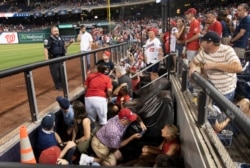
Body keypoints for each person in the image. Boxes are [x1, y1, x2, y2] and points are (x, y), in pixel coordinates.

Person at [189, 32, 243, 132]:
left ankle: (237, 112)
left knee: (219, 121)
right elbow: (197, 62)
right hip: (212, 89)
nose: (200, 43)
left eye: (203, 41)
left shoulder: (227, 50)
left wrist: (215, 65)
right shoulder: (204, 52)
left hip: (225, 91)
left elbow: (238, 68)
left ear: (209, 43)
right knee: (212, 117)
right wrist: (194, 68)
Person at [79, 108, 147, 166]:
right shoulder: (114, 130)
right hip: (100, 144)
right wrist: (132, 137)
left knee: (119, 156)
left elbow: (136, 116)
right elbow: (118, 145)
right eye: (130, 120)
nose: (131, 120)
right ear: (124, 120)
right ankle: (89, 159)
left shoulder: (121, 117)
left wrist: (141, 123)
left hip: (110, 142)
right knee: (112, 164)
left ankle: (102, 157)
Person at [44, 26, 74, 90]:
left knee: (61, 72)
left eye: (57, 31)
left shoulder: (60, 38)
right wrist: (46, 59)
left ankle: (63, 85)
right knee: (55, 74)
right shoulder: (48, 39)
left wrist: (70, 43)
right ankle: (58, 86)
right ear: (51, 32)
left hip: (61, 58)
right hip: (53, 59)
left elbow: (64, 46)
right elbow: (46, 48)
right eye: (55, 31)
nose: (56, 32)